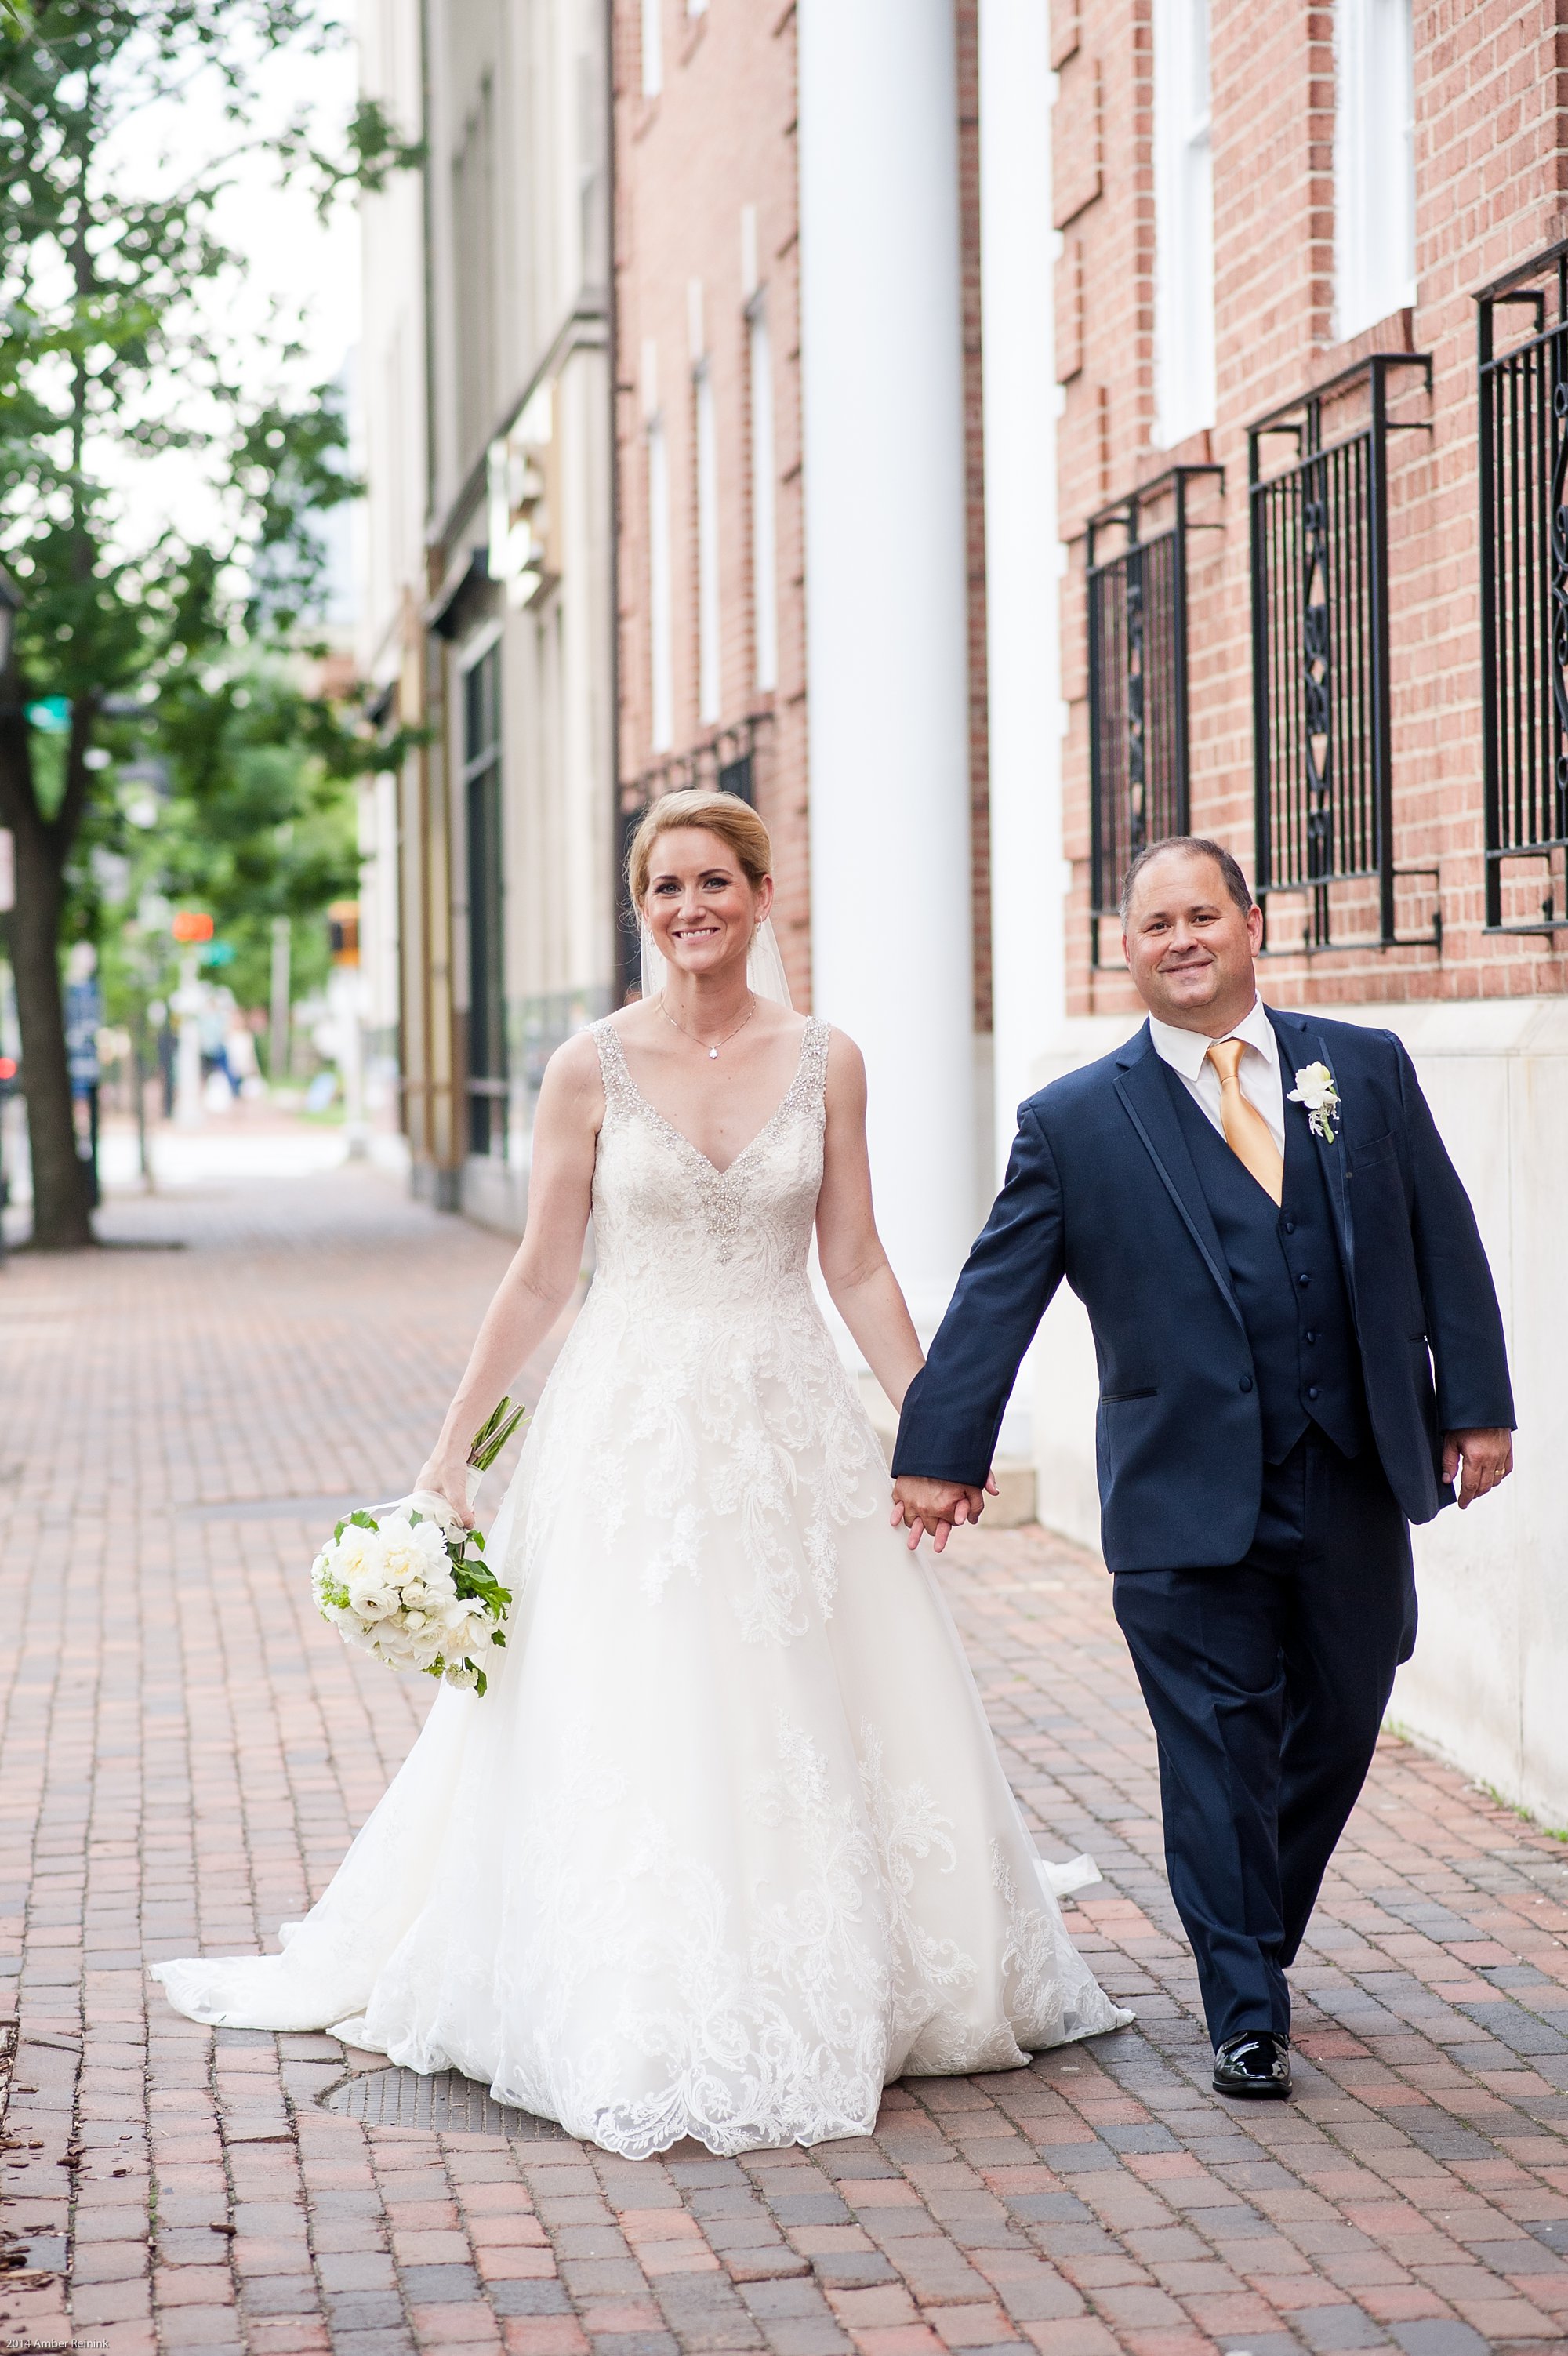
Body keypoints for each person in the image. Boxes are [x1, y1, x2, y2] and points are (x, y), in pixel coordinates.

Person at [153, 789, 1128, 2157]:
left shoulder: (828, 1058)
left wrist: (937, 1429)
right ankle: (638, 1977)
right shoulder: (587, 1068)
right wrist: (452, 1450)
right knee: (641, 1687)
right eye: (664, 888)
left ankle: (862, 1961)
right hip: (631, 1427)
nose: (689, 910)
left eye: (714, 883)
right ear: (642, 905)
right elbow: (544, 1268)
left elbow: (853, 1260)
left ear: (762, 893)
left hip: (786, 1417)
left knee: (812, 1685)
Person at [891, 837, 1515, 2102]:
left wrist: (1479, 1407)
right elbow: (995, 1295)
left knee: (1342, 1709)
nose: (1180, 940)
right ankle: (1244, 2007)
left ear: (1254, 924)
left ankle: (1250, 1941)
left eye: (1201, 916)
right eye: (1153, 924)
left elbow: (1439, 1231)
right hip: (1183, 1490)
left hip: (1352, 1468)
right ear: (1125, 949)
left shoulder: (1365, 1069)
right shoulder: (1073, 1121)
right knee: (1213, 1749)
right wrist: (941, 1451)